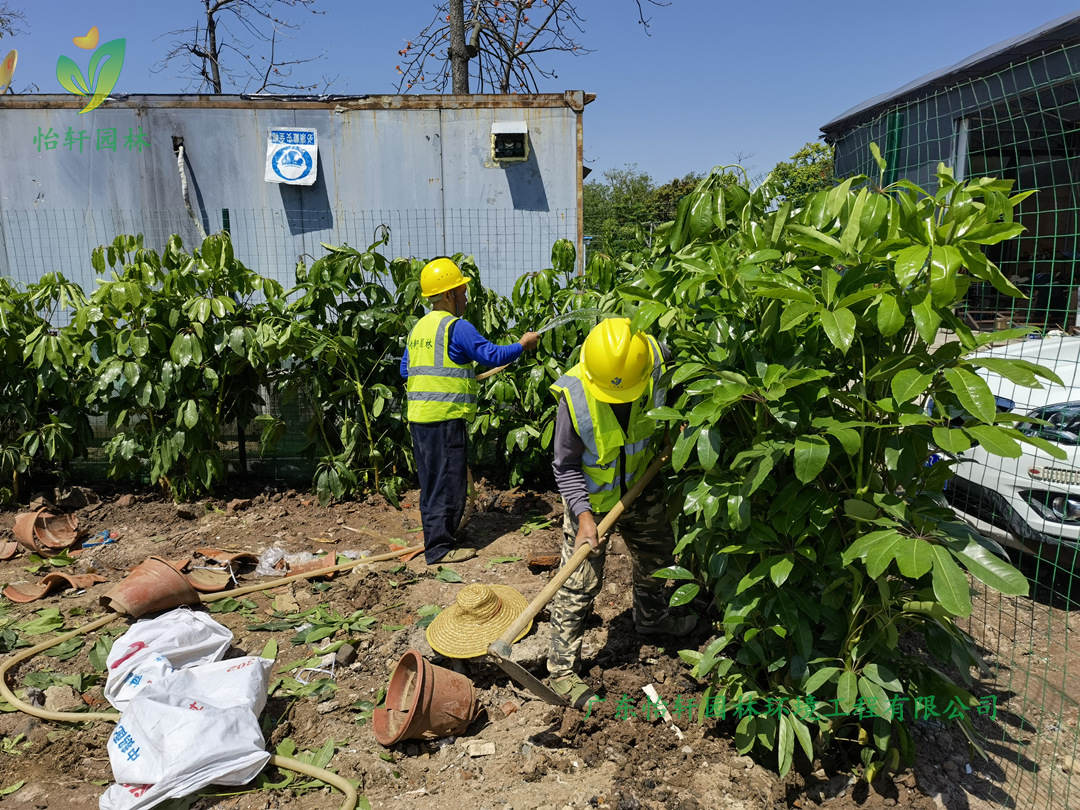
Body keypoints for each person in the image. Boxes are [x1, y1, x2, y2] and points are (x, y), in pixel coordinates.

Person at [546, 317, 695, 707]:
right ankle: (561, 670)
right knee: (578, 582)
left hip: (643, 484)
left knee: (657, 555)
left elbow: (681, 399)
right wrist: (582, 516)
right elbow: (564, 464)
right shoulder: (575, 394)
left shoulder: (656, 363)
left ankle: (651, 618)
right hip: (592, 500)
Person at [401, 257, 539, 565]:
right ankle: (439, 549)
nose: (465, 296)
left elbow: (405, 368)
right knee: (449, 484)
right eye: (461, 291)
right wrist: (522, 345)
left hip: (420, 420)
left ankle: (441, 537)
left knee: (433, 483)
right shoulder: (456, 327)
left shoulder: (418, 328)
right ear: (448, 295)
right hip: (444, 419)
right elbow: (491, 355)